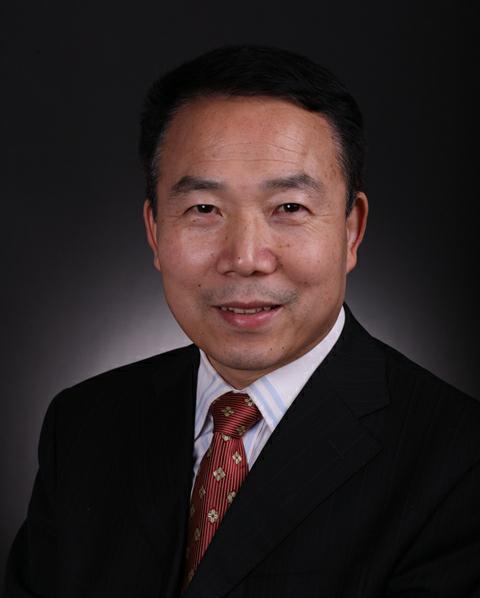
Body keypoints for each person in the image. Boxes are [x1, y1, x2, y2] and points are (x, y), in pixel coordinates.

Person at [3, 45, 480, 598]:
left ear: (351, 230)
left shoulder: (458, 461)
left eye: (289, 208)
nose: (246, 257)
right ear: (155, 231)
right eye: (204, 209)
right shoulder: (84, 426)